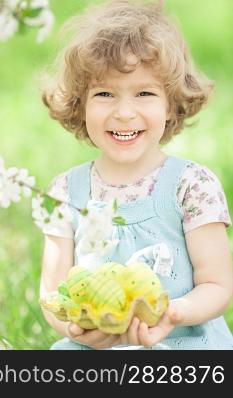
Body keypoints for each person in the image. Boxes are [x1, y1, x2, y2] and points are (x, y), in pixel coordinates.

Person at [40, 0, 233, 350]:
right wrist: (74, 330)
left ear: (171, 103)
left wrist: (172, 314)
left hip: (182, 342)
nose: (125, 112)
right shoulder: (65, 192)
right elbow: (53, 292)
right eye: (104, 94)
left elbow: (217, 285)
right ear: (79, 104)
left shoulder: (192, 186)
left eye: (144, 93)